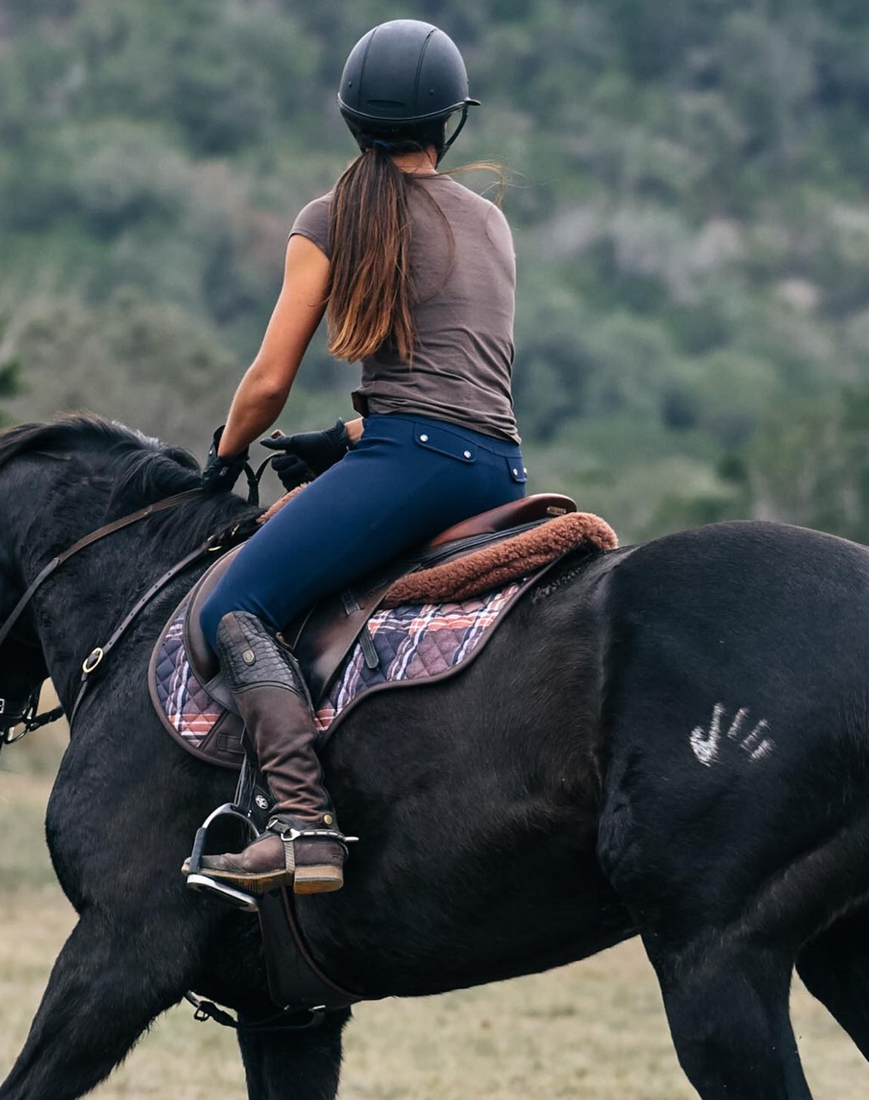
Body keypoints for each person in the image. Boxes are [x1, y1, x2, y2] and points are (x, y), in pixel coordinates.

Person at [186, 18, 526, 896]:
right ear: (449, 122)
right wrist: (344, 441)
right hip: (496, 466)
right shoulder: (489, 221)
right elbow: (460, 389)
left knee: (235, 605)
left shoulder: (331, 217)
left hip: (414, 462)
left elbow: (265, 383)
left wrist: (223, 459)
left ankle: (302, 824)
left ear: (349, 119)